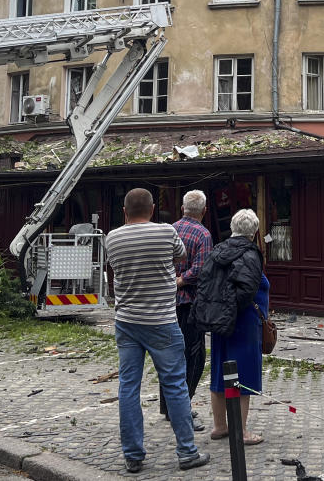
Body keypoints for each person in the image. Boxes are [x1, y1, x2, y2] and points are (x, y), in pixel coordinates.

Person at [104, 188, 211, 473]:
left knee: (128, 387)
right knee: (175, 386)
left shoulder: (111, 238)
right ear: (152, 210)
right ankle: (187, 452)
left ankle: (133, 455)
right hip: (162, 321)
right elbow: (181, 255)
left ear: (124, 212)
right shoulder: (165, 232)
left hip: (126, 322)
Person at [191, 208, 267, 445]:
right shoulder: (251, 253)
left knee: (220, 372)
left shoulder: (217, 251)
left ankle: (220, 426)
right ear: (253, 232)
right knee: (242, 376)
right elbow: (246, 290)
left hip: (218, 322)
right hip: (242, 323)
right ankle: (241, 431)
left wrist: (216, 311)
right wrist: (231, 308)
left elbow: (204, 283)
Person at [159, 190, 212, 430]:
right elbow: (201, 270)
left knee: (169, 356)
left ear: (182, 209)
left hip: (165, 303)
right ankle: (182, 409)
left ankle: (166, 406)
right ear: (204, 211)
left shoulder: (169, 230)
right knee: (194, 357)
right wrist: (180, 280)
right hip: (189, 304)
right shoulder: (203, 234)